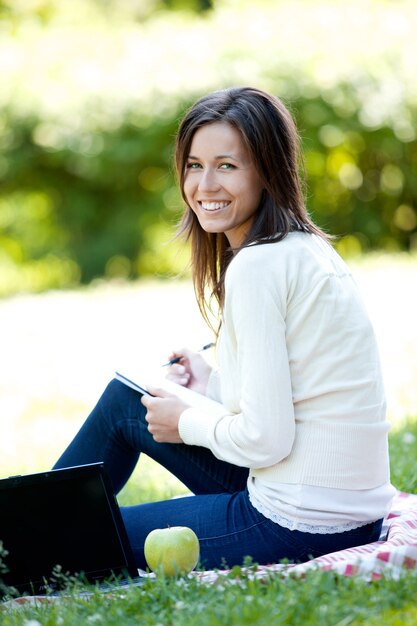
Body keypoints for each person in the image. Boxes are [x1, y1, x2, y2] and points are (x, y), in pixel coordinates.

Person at [53, 86, 395, 571]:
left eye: (227, 166)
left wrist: (185, 422)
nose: (205, 186)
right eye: (195, 165)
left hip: (301, 521)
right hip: (342, 505)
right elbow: (291, 400)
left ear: (267, 170)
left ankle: (26, 536)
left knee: (76, 537)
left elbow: (265, 439)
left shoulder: (257, 266)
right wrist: (210, 383)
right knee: (128, 402)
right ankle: (30, 523)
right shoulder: (303, 248)